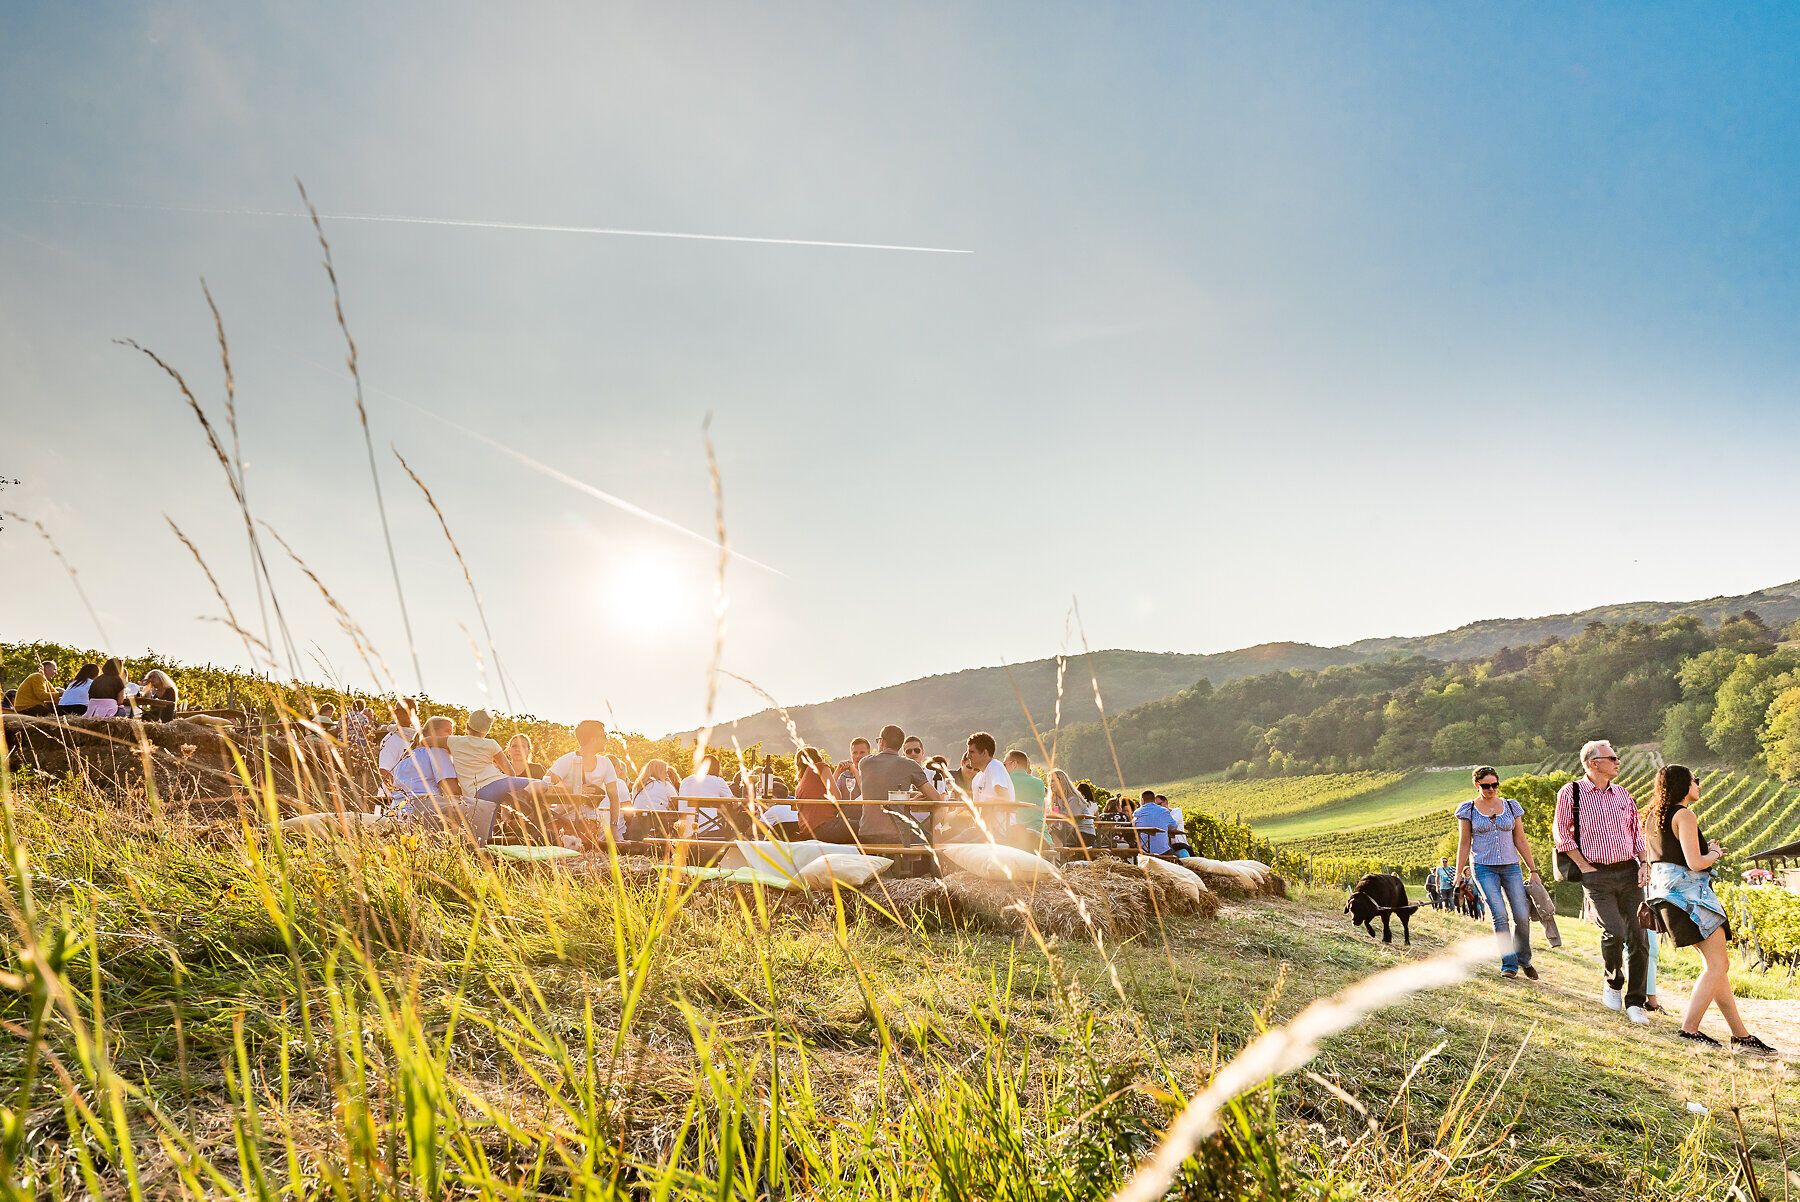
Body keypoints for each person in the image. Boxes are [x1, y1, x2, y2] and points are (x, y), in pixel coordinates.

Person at [1643, 765, 1775, 1052]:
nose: (1699, 785)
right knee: (1719, 965)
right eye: (1695, 780)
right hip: (1691, 899)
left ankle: (1741, 1035)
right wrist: (1713, 853)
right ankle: (1689, 1029)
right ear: (1683, 785)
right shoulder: (1684, 814)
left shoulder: (1654, 816)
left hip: (1667, 897)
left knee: (1716, 968)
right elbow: (1696, 863)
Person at [1554, 739, 1651, 1023]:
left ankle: (1636, 1002)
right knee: (1614, 931)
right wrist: (1585, 867)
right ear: (1594, 763)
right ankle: (1613, 980)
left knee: (1639, 936)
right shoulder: (1571, 792)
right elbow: (1562, 835)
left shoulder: (1623, 794)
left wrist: (1644, 863)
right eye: (1613, 757)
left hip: (1629, 872)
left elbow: (1636, 833)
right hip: (1596, 875)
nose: (1618, 761)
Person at [1455, 766, 1541, 980]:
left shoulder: (1511, 807)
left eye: (1495, 784)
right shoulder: (1469, 810)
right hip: (1484, 868)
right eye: (1486, 785)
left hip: (1511, 866)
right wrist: (1458, 873)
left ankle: (1524, 958)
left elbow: (1520, 839)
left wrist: (1533, 869)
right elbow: (1464, 843)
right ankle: (1509, 964)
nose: (1491, 789)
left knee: (1522, 916)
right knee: (1500, 915)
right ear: (1477, 785)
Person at [856, 724, 942, 844]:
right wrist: (915, 797)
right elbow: (936, 798)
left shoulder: (864, 763)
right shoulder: (910, 765)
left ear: (882, 741)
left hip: (866, 832)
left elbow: (883, 786)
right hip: (897, 834)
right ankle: (911, 862)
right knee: (928, 840)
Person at [544, 720, 625, 839]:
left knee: (588, 833)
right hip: (563, 820)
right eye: (604, 736)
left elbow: (614, 798)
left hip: (590, 822)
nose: (606, 740)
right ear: (593, 739)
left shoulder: (606, 763)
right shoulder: (567, 760)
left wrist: (614, 828)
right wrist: (575, 790)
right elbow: (543, 787)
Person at [679, 754, 737, 835]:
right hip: (711, 829)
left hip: (686, 832)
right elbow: (734, 802)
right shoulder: (718, 781)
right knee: (734, 831)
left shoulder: (685, 781)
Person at [625, 759, 681, 840]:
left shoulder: (638, 785)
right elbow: (676, 802)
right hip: (658, 823)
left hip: (637, 822)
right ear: (660, 772)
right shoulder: (665, 785)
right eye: (665, 772)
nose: (667, 775)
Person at [1003, 750, 1049, 843]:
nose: (1003, 768)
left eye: (1005, 764)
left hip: (1016, 838)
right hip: (1042, 837)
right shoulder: (1039, 783)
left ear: (1014, 764)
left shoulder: (1005, 781)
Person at [1131, 790, 1179, 857]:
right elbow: (1174, 826)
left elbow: (1133, 826)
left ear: (1142, 800)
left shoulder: (1137, 813)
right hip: (1163, 851)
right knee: (1178, 861)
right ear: (1154, 800)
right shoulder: (1164, 811)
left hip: (1145, 852)